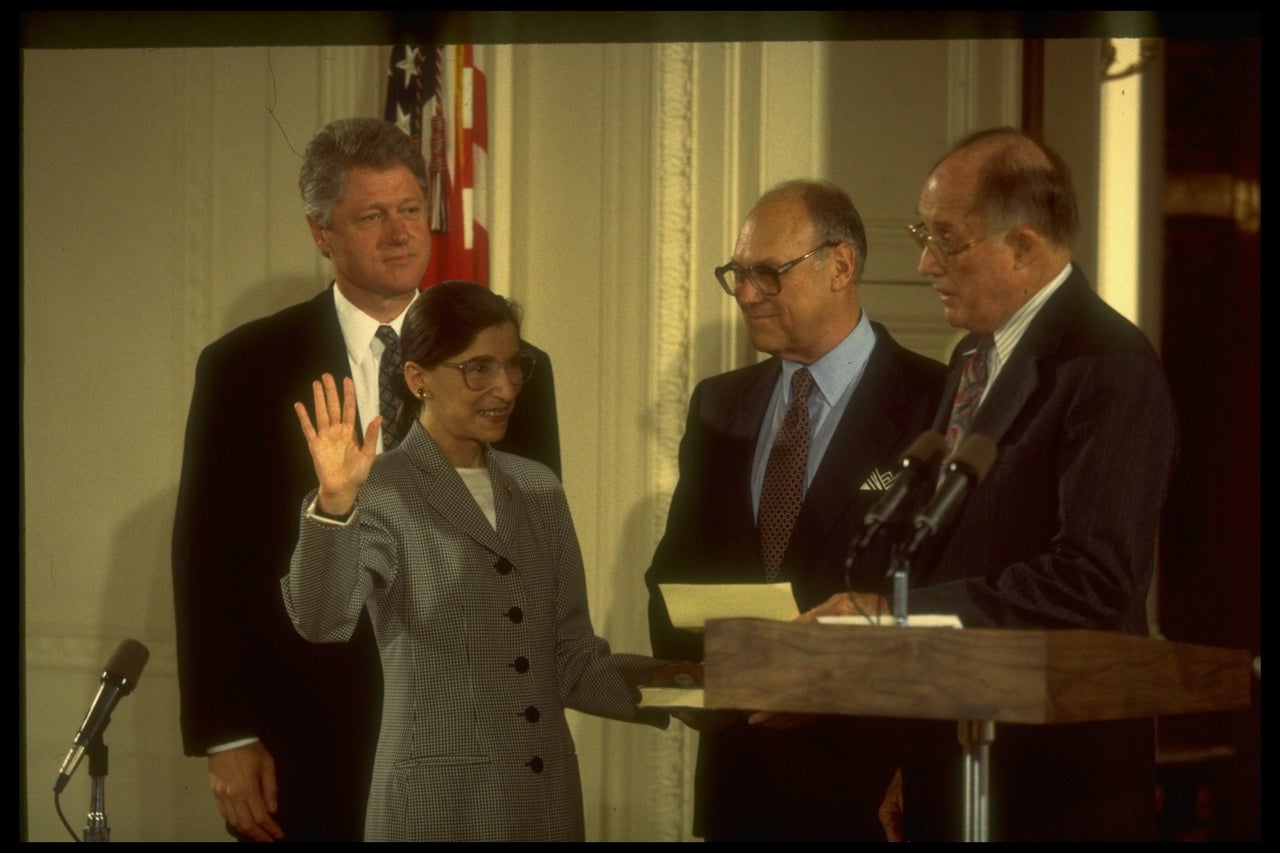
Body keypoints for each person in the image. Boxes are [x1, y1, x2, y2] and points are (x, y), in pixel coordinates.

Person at [171, 117, 561, 842]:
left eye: (411, 209)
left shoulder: (513, 364)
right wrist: (226, 734)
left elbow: (530, 559)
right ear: (322, 233)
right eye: (371, 216)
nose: (400, 233)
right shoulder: (242, 367)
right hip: (305, 739)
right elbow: (209, 560)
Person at [810, 128, 1180, 841]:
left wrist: (895, 612)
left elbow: (1093, 578)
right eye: (925, 233)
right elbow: (949, 551)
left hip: (1054, 786)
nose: (924, 262)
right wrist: (912, 752)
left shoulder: (1109, 364)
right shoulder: (974, 357)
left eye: (947, 239)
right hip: (954, 761)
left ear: (1024, 246)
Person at [282, 280, 671, 841]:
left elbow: (568, 656)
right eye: (479, 369)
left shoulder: (538, 489)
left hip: (545, 808)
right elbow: (322, 621)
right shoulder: (378, 489)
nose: (506, 388)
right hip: (435, 811)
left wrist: (676, 686)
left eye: (514, 367)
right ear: (418, 380)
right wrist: (336, 502)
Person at [644, 180, 948, 840]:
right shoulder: (718, 404)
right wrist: (701, 678)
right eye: (738, 274)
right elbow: (674, 574)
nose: (747, 294)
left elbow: (943, 597)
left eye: (767, 273)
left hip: (870, 790)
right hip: (741, 785)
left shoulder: (936, 402)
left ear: (840, 265)